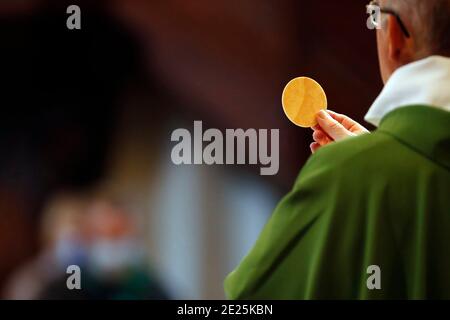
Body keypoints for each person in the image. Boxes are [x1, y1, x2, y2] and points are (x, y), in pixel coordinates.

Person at [225, 0, 450, 299]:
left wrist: (357, 173)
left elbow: (249, 298)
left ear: (394, 36)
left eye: (375, 15)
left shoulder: (345, 174)